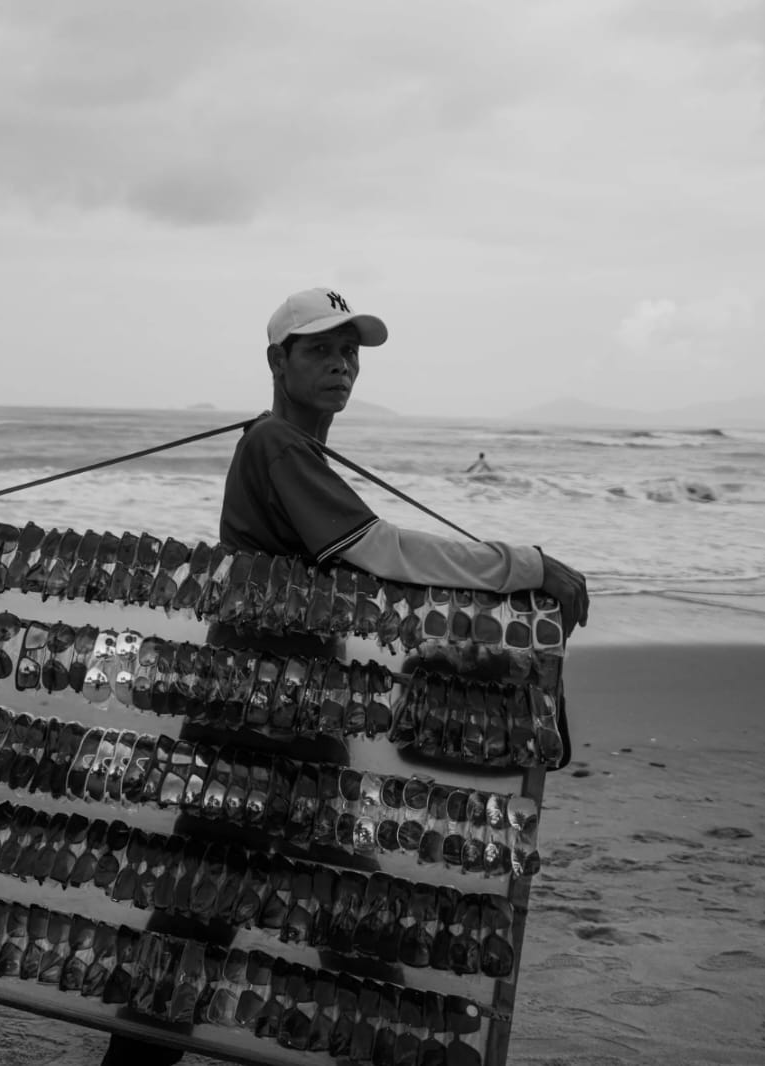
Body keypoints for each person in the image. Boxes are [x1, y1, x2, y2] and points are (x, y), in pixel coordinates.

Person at [98, 288, 587, 1066]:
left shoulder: (289, 449)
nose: (342, 365)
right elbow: (379, 549)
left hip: (267, 704)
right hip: (268, 711)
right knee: (333, 906)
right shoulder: (279, 448)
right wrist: (521, 566)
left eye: (350, 351)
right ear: (276, 361)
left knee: (206, 904)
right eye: (320, 349)